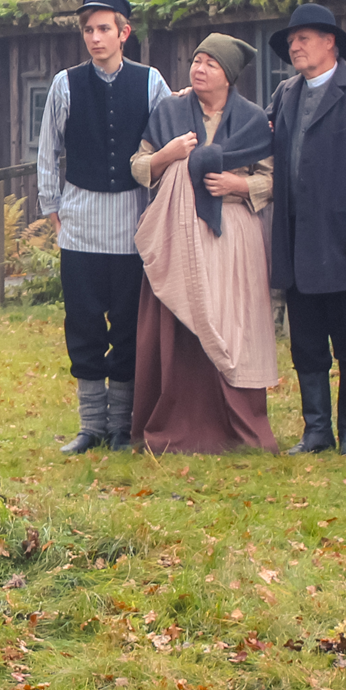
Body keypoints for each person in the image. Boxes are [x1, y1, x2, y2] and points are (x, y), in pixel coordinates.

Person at [127, 35, 278, 454]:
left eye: (210, 63)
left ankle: (234, 427)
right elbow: (139, 166)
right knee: (179, 324)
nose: (199, 68)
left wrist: (239, 183)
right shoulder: (171, 111)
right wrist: (168, 155)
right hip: (177, 231)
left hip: (231, 233)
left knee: (232, 322)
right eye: (196, 59)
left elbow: (272, 178)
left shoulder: (250, 120)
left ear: (228, 76)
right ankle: (179, 424)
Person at [36, 0, 171, 454]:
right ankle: (90, 425)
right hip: (81, 222)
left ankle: (123, 426)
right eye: (89, 30)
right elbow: (49, 148)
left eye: (104, 29)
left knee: (130, 326)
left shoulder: (152, 82)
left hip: (133, 223)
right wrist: (51, 205)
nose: (95, 38)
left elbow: (168, 142)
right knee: (85, 324)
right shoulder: (64, 84)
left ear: (124, 33)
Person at [265, 3, 346, 457]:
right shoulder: (285, 93)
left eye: (303, 38)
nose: (294, 46)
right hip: (298, 240)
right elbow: (256, 138)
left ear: (331, 43)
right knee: (305, 340)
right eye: (290, 41)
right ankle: (316, 431)